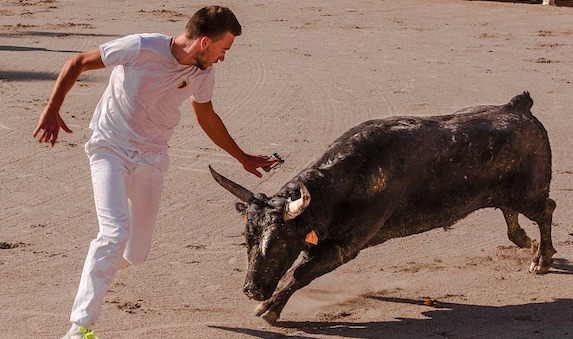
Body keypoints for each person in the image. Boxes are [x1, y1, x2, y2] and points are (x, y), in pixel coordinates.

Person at [33, 6, 278, 339]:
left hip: (151, 157)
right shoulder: (141, 47)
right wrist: (51, 108)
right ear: (205, 42)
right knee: (114, 232)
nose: (223, 58)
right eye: (223, 49)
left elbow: (206, 116)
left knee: (135, 254)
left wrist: (242, 157)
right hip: (110, 147)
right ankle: (80, 328)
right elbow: (78, 62)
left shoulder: (202, 73)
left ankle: (102, 266)